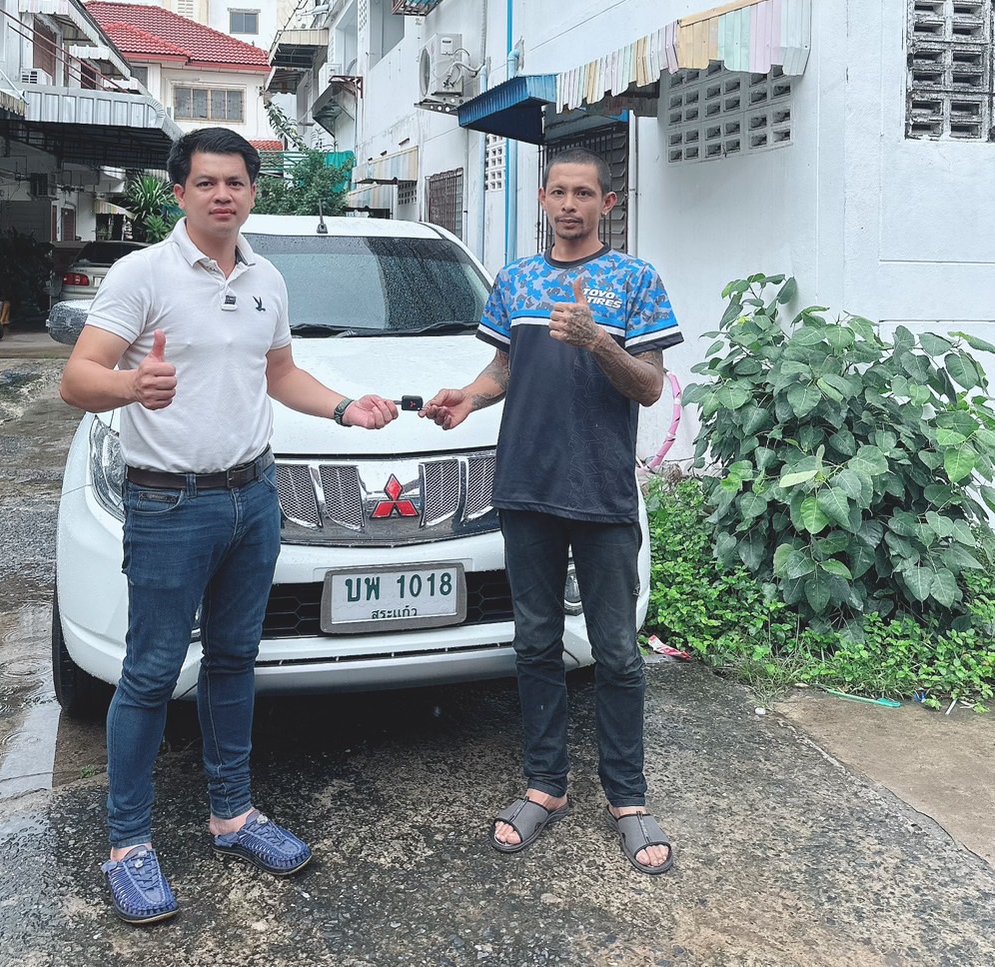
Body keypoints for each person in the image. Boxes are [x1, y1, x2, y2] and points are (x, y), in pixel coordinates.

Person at [61, 127, 399, 924]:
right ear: (179, 191)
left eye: (236, 182)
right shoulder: (143, 274)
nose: (223, 195)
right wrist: (130, 385)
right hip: (169, 504)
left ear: (252, 191)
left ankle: (233, 815)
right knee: (150, 672)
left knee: (234, 661)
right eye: (207, 182)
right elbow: (76, 379)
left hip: (254, 498)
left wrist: (345, 408)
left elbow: (279, 372)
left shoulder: (266, 278)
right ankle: (129, 844)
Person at [421, 147, 682, 875]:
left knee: (617, 652)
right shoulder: (515, 279)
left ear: (608, 202)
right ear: (543, 199)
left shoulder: (635, 281)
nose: (570, 205)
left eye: (584, 194)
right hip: (525, 488)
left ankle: (627, 797)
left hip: (601, 491)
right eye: (559, 193)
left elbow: (649, 386)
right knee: (534, 644)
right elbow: (504, 366)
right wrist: (468, 397)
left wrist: (598, 342)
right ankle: (545, 784)